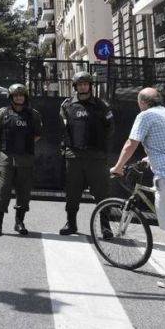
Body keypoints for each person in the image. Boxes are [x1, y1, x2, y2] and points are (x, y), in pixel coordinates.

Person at [111, 88, 165, 290]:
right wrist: (150, 158)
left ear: (141, 102)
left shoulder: (145, 115)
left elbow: (131, 143)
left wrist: (118, 167)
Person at [59, 71, 114, 235]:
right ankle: (71, 224)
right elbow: (64, 128)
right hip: (74, 156)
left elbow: (110, 128)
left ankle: (105, 226)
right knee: (72, 192)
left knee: (102, 192)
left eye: (86, 84)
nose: (83, 87)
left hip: (96, 157)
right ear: (75, 87)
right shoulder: (66, 106)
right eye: (80, 84)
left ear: (90, 86)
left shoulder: (101, 105)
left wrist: (99, 143)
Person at [0, 84, 42, 237]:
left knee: (24, 191)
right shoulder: (2, 113)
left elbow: (38, 134)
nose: (19, 98)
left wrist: (24, 144)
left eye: (21, 95)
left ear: (25, 97)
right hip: (7, 156)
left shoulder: (33, 115)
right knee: (3, 190)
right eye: (16, 95)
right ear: (11, 97)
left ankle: (19, 222)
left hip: (25, 157)